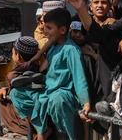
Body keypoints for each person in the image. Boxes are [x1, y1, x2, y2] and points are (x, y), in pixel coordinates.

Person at [31, 8, 91, 140]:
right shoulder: (53, 47)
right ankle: (42, 131)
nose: (45, 31)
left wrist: (85, 102)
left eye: (49, 28)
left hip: (63, 94)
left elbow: (79, 78)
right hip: (48, 91)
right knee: (17, 93)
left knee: (57, 99)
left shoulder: (71, 50)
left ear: (63, 30)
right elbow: (44, 69)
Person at [0, 36, 45, 138]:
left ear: (18, 56)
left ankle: (24, 132)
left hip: (25, 122)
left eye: (13, 52)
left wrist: (7, 90)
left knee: (3, 100)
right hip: (39, 113)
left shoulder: (13, 75)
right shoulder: (40, 68)